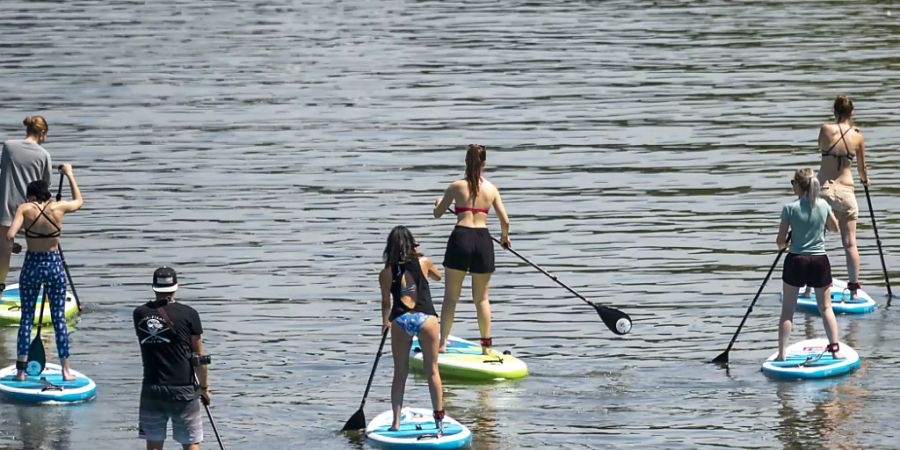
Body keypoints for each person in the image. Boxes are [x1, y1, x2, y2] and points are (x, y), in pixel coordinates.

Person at [6, 165, 82, 381]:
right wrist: (69, 174)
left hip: (32, 265)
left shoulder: (25, 208)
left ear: (31, 196)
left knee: (26, 319)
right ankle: (66, 370)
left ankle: (20, 372)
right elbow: (79, 202)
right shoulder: (58, 207)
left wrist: (14, 247)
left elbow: (10, 234)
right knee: (59, 318)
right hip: (54, 265)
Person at [433, 144, 510, 355]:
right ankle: (486, 348)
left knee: (451, 297)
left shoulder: (456, 186)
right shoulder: (492, 189)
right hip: (483, 240)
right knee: (482, 298)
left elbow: (438, 213)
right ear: (484, 164)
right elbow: (505, 220)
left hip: (461, 238)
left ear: (466, 162)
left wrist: (439, 202)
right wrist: (504, 238)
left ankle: (442, 344)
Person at [134, 267, 211, 450]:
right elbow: (199, 356)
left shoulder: (139, 314)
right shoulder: (189, 314)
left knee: (153, 444)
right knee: (190, 442)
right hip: (183, 388)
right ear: (176, 287)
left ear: (154, 288)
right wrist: (205, 388)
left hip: (152, 387)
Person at [379, 226, 444, 431]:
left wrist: (384, 323)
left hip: (400, 321)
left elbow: (386, 304)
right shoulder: (424, 262)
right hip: (426, 319)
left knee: (400, 373)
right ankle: (438, 421)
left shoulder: (385, 273)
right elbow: (438, 277)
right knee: (432, 370)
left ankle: (396, 423)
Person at [776, 168, 843, 361]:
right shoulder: (823, 205)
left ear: (799, 185)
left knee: (788, 310)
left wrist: (785, 243)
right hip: (819, 261)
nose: (792, 186)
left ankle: (781, 354)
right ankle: (835, 349)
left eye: (793, 183)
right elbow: (835, 228)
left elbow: (780, 241)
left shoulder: (789, 208)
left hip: (796, 260)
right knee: (826, 308)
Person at [811, 96, 868, 300]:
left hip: (824, 190)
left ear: (834, 112)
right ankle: (853, 291)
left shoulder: (825, 129)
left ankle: (810, 287)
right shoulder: (858, 137)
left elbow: (821, 146)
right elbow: (862, 170)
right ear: (852, 113)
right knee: (850, 243)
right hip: (847, 191)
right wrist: (865, 181)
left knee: (816, 239)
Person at [0, 116, 53, 292]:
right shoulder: (44, 155)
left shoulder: (8, 146)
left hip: (6, 210)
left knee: (3, 253)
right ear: (43, 133)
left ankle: (0, 286)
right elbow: (45, 186)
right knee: (39, 252)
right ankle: (44, 289)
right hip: (33, 212)